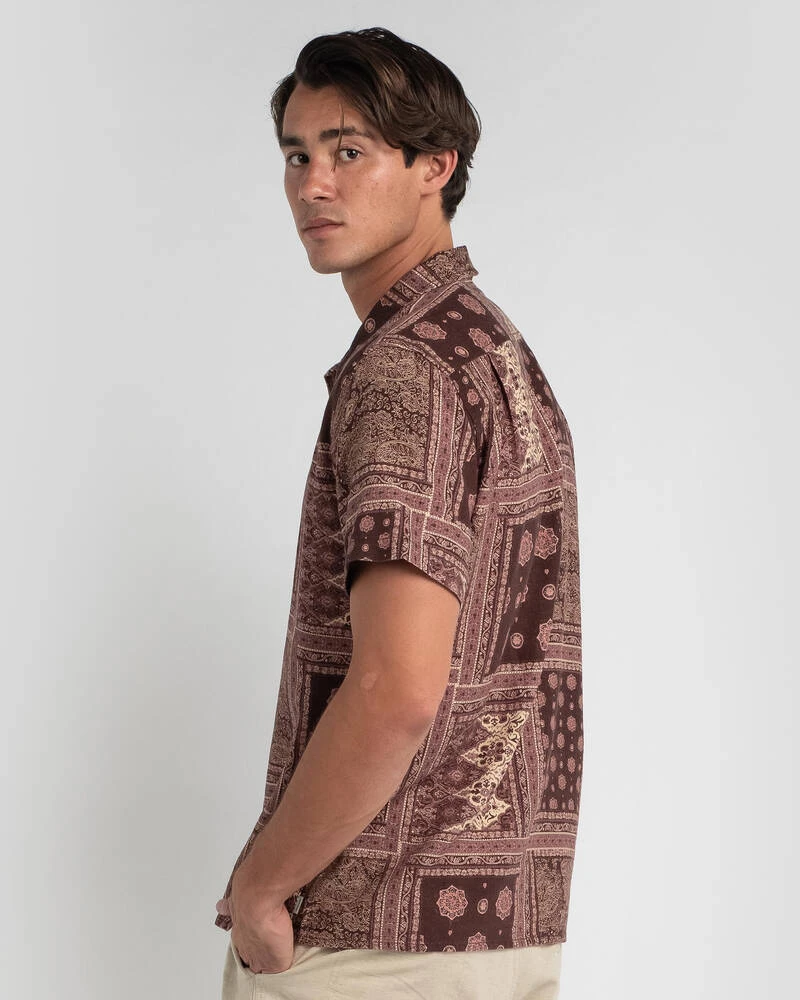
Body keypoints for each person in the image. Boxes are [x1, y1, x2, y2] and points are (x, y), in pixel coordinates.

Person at [214, 26, 583, 1000]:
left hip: (375, 942)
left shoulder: (405, 369)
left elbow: (396, 687)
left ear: (435, 166)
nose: (313, 185)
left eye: (349, 151)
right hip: (501, 929)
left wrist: (262, 887)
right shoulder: (494, 351)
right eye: (296, 155)